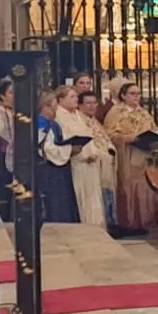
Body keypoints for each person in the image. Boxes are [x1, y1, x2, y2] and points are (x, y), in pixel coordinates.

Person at [44, 87, 110, 229]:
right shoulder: (59, 117)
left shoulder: (79, 115)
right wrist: (77, 152)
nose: (75, 99)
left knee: (93, 198)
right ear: (60, 100)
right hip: (76, 163)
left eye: (75, 96)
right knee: (81, 197)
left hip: (90, 164)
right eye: (71, 97)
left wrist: (93, 152)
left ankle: (96, 227)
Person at [103, 82, 158, 235]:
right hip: (127, 153)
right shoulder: (115, 112)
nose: (136, 97)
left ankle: (146, 221)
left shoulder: (144, 112)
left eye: (138, 94)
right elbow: (108, 134)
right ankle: (130, 222)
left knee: (146, 186)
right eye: (132, 94)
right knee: (129, 186)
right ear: (123, 95)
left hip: (144, 153)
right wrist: (127, 137)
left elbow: (154, 128)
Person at [32, 94, 80, 226]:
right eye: (54, 107)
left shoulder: (53, 124)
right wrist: (70, 149)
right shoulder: (40, 123)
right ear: (46, 106)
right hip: (48, 169)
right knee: (53, 203)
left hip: (59, 169)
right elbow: (46, 148)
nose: (56, 111)